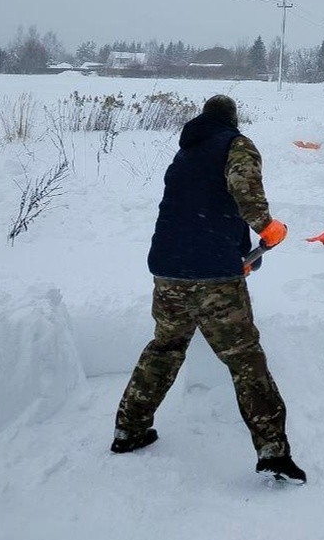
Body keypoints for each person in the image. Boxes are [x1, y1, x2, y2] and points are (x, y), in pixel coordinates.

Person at [111, 95, 306, 485]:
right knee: (245, 359)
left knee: (164, 348)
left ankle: (128, 430)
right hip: (214, 273)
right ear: (232, 119)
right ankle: (273, 451)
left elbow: (200, 206)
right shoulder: (237, 143)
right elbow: (244, 191)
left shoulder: (186, 153)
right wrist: (267, 228)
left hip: (168, 270)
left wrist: (237, 250)